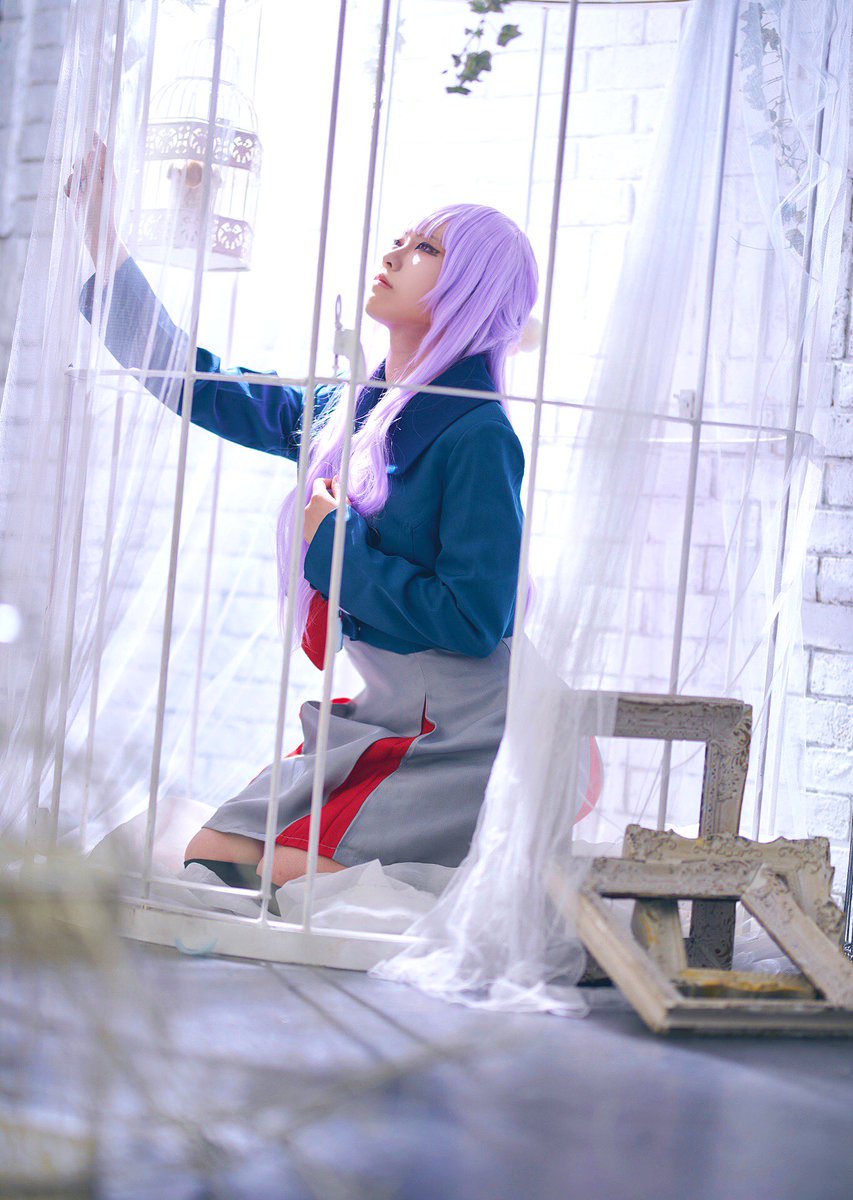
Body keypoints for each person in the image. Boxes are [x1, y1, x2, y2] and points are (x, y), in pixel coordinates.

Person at [67, 135, 599, 905]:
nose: (395, 253)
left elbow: (475, 620)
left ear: (473, 289)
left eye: (427, 249)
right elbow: (194, 379)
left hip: (474, 730)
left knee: (263, 875)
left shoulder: (477, 434)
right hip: (393, 708)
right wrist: (103, 238)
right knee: (211, 855)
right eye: (403, 239)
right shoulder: (346, 412)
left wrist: (332, 544)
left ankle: (487, 882)